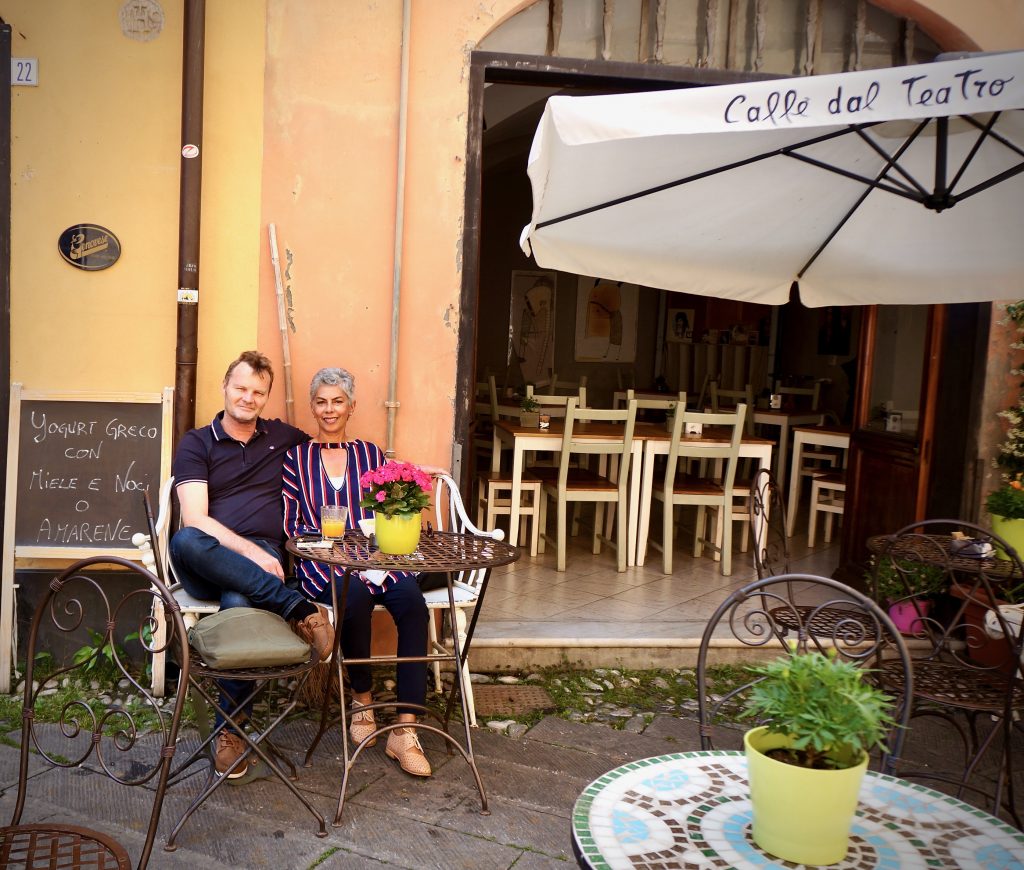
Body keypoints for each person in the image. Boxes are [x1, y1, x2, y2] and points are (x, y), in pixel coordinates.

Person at [170, 350, 335, 779]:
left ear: (266, 398)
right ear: (225, 387)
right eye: (241, 388)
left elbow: (331, 447)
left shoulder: (283, 438)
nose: (248, 398)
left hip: (262, 559)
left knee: (239, 597)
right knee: (186, 539)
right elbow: (195, 518)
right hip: (209, 555)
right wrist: (250, 552)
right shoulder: (197, 443)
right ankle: (300, 610)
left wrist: (398, 468)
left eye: (258, 392)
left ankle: (231, 729)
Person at [282, 367, 432, 777]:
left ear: (351, 406)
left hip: (376, 556)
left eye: (337, 401)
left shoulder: (369, 454)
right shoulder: (297, 458)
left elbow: (385, 508)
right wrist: (330, 550)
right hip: (324, 561)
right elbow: (293, 525)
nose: (329, 410)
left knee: (413, 604)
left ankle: (405, 728)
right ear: (313, 407)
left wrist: (378, 546)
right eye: (321, 401)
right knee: (356, 600)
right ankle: (362, 698)